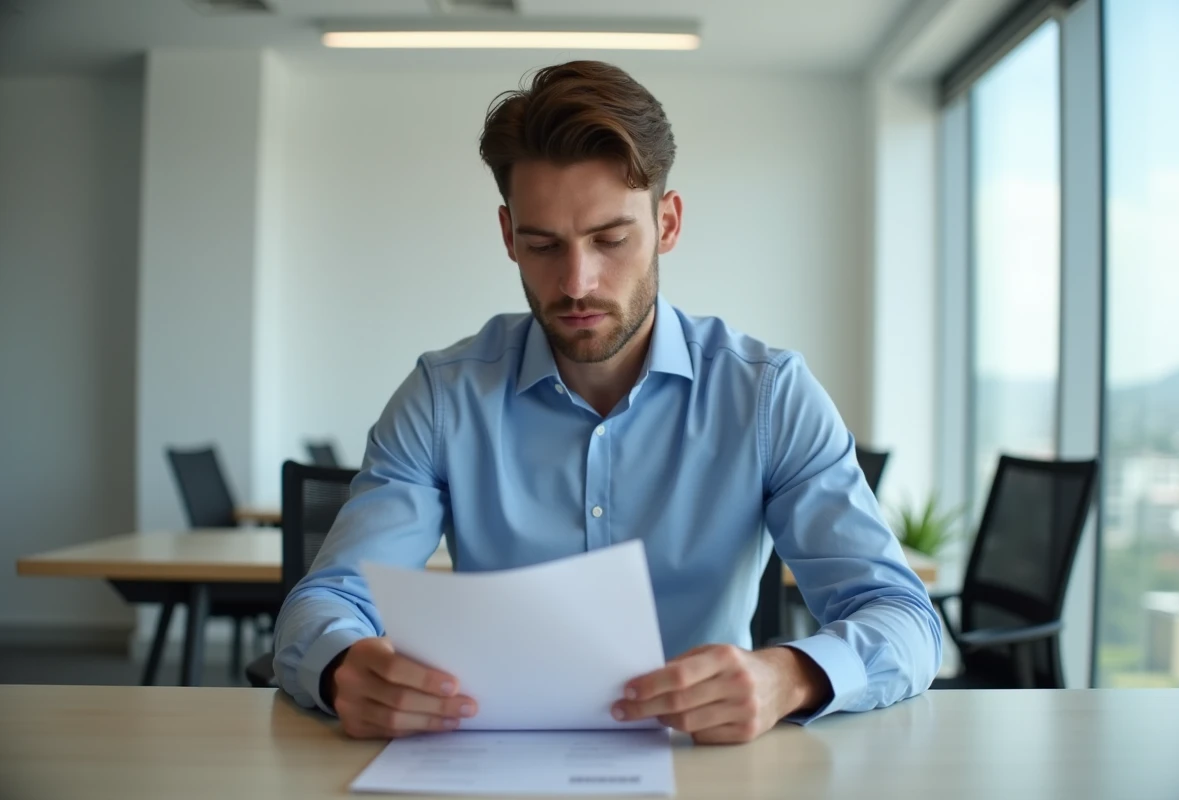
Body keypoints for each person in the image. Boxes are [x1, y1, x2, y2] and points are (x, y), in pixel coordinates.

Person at [274, 60, 941, 745]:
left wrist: (790, 677)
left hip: (705, 772)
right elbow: (326, 601)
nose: (576, 282)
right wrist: (342, 668)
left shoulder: (768, 397)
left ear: (668, 223)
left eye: (611, 240)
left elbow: (902, 617)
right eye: (542, 245)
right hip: (496, 765)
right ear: (508, 236)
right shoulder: (443, 398)